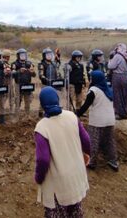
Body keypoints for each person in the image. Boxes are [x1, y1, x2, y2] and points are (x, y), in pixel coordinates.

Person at [34, 86, 90, 217]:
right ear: (57, 99)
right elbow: (86, 140)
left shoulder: (42, 127)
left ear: (42, 104)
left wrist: (39, 177)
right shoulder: (71, 116)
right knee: (75, 210)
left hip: (59, 183)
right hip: (76, 174)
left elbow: (43, 160)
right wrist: (87, 155)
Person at [77, 71, 119, 171]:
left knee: (94, 140)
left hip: (98, 120)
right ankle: (113, 161)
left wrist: (76, 114)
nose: (90, 80)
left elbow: (86, 106)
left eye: (91, 78)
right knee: (109, 141)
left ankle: (92, 162)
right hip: (110, 120)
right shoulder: (108, 90)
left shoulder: (93, 90)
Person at [107, 43, 127, 120]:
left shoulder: (117, 56)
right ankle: (125, 113)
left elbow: (111, 66)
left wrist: (110, 60)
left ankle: (118, 113)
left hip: (117, 77)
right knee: (126, 95)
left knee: (117, 95)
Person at [11, 48, 36, 114]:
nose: (23, 56)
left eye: (24, 55)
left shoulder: (29, 63)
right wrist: (19, 71)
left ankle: (27, 116)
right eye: (21, 55)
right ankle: (17, 115)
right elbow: (12, 74)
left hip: (27, 85)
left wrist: (32, 72)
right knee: (18, 100)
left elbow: (34, 75)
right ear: (18, 56)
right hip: (18, 84)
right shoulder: (15, 64)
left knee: (27, 101)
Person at [38, 47, 61, 117]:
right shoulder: (42, 64)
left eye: (50, 54)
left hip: (54, 84)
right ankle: (41, 112)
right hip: (45, 84)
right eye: (47, 55)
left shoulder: (53, 63)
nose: (49, 56)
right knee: (44, 98)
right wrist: (46, 80)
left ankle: (54, 110)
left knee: (54, 97)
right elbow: (41, 74)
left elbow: (58, 65)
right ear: (44, 56)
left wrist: (58, 56)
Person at [2, 50, 14, 114]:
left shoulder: (7, 64)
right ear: (6, 56)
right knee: (5, 96)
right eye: (8, 56)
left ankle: (11, 110)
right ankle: (2, 110)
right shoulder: (3, 64)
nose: (9, 58)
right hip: (6, 82)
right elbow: (6, 73)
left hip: (9, 82)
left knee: (11, 96)